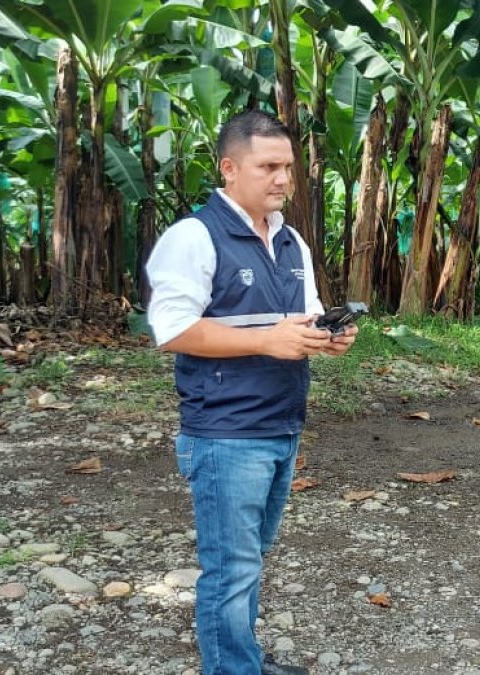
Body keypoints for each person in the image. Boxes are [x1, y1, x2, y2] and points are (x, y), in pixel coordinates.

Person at [146, 110, 356, 675]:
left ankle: (244, 663)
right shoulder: (193, 237)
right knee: (231, 568)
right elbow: (171, 331)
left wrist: (328, 337)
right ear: (230, 168)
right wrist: (267, 340)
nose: (282, 178)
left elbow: (303, 319)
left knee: (250, 559)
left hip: (282, 424)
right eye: (268, 167)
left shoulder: (291, 240)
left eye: (287, 167)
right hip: (225, 432)